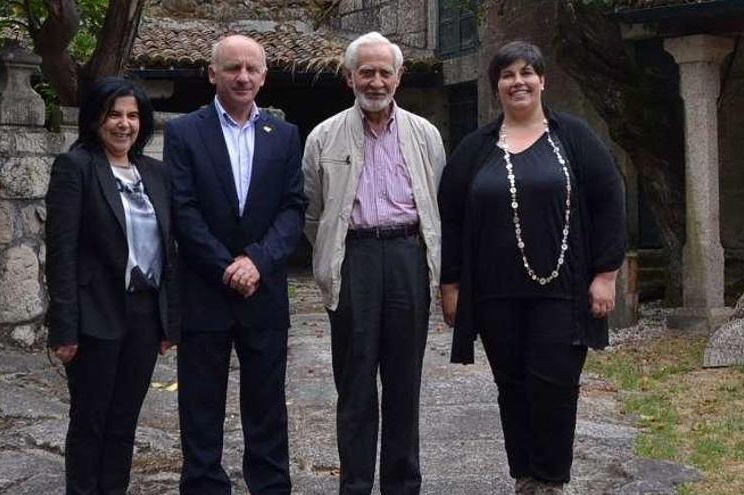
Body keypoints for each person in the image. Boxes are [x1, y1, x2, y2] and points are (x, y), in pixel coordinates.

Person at [438, 41, 626, 495]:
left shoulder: (574, 138)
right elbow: (453, 218)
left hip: (562, 290)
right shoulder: (475, 149)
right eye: (507, 75)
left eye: (527, 72)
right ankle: (525, 476)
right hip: (495, 292)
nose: (518, 81)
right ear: (496, 86)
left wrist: (606, 274)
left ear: (542, 80)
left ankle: (552, 479)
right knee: (512, 385)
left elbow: (609, 200)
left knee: (555, 384)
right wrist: (451, 284)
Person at [303, 31, 446, 495]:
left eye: (385, 72)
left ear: (400, 77)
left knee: (405, 384)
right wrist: (336, 254)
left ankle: (403, 486)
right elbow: (313, 214)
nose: (376, 81)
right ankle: (356, 485)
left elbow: (436, 199)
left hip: (408, 258)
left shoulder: (426, 135)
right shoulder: (323, 136)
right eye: (366, 71)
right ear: (349, 78)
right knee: (356, 383)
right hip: (355, 260)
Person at [165, 34, 306, 495]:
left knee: (267, 402)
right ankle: (204, 485)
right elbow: (182, 209)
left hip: (263, 292)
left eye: (251, 69)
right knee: (201, 401)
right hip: (206, 288)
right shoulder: (185, 132)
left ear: (264, 77)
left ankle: (269, 485)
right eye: (232, 68)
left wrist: (256, 262)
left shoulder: (284, 135)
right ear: (212, 73)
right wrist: (228, 266)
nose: (242, 77)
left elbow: (292, 208)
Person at [46, 76, 179, 494]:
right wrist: (64, 327)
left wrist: (166, 323)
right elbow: (61, 251)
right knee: (90, 421)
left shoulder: (156, 174)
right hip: (95, 313)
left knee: (124, 422)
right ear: (96, 119)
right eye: (114, 115)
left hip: (143, 314)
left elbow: (169, 249)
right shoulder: (77, 166)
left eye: (133, 115)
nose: (124, 124)